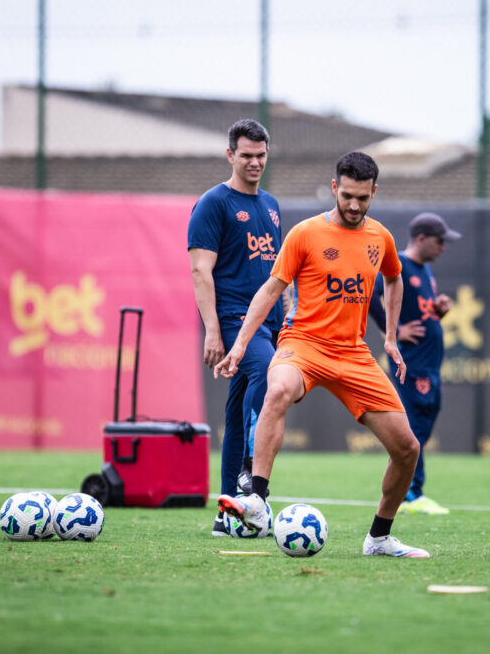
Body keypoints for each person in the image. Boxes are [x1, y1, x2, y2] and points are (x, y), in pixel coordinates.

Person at [214, 151, 429, 558]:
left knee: (408, 450)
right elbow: (270, 290)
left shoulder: (379, 237)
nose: (353, 205)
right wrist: (240, 343)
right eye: (346, 195)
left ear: (373, 193)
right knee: (276, 389)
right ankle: (257, 501)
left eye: (362, 198)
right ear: (335, 188)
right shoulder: (304, 233)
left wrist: (391, 338)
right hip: (304, 344)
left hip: (353, 354)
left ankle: (379, 538)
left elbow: (395, 279)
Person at [188, 119, 283, 537]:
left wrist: (289, 312)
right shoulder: (214, 203)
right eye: (246, 155)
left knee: (237, 411)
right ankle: (249, 470)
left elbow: (280, 271)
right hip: (233, 318)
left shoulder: (272, 206)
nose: (255, 162)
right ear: (230, 155)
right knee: (267, 375)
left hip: (270, 320)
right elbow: (200, 271)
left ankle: (227, 514)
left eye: (261, 155)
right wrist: (212, 331)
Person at [368, 212, 460, 515]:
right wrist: (392, 331)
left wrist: (437, 311)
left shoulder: (425, 272)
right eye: (440, 240)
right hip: (413, 363)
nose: (443, 247)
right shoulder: (402, 265)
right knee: (414, 428)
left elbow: (421, 312)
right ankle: (410, 494)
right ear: (421, 238)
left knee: (423, 424)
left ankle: (410, 490)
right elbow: (371, 294)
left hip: (429, 364)